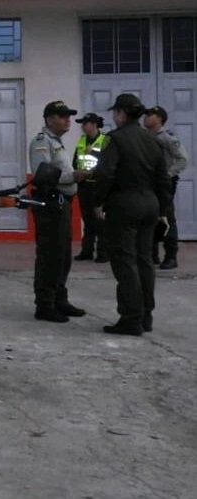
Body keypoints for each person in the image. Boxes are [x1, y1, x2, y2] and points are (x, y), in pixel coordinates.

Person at [93, 93, 172, 335]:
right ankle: (146, 316)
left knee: (125, 262)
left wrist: (98, 201)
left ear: (121, 114)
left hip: (124, 205)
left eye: (115, 112)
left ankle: (131, 318)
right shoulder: (152, 140)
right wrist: (164, 210)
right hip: (150, 205)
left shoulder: (114, 139)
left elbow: (105, 173)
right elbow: (163, 179)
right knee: (144, 260)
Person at [28, 100, 89, 323]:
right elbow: (43, 174)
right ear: (49, 119)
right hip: (50, 204)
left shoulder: (57, 143)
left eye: (68, 116)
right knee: (50, 255)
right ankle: (45, 304)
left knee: (63, 255)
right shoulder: (42, 142)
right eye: (62, 116)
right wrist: (74, 176)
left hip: (62, 204)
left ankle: (59, 298)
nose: (68, 120)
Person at [143, 105, 189, 270]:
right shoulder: (144, 136)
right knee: (149, 217)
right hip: (148, 183)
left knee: (167, 218)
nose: (146, 117)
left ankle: (171, 257)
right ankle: (152, 254)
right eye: (146, 114)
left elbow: (182, 159)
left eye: (150, 115)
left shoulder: (167, 138)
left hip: (163, 184)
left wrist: (168, 175)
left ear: (159, 119)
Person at [72, 113, 108, 263]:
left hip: (98, 185)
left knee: (100, 220)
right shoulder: (82, 140)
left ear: (94, 124)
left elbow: (107, 163)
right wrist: (77, 173)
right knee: (87, 220)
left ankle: (103, 253)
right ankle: (87, 251)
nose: (82, 127)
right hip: (84, 185)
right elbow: (75, 161)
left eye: (85, 124)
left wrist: (93, 154)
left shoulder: (105, 140)